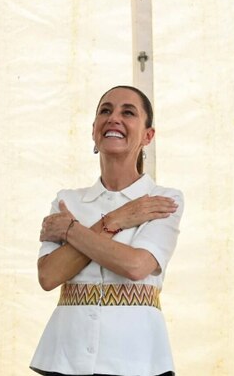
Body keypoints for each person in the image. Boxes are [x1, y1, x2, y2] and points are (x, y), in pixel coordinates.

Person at [31, 85, 183, 376]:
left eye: (128, 112)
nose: (114, 118)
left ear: (148, 136)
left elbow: (137, 265)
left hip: (138, 360)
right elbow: (49, 276)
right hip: (64, 359)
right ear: (93, 131)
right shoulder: (67, 200)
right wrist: (117, 219)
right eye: (105, 111)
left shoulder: (163, 200)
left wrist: (72, 231)